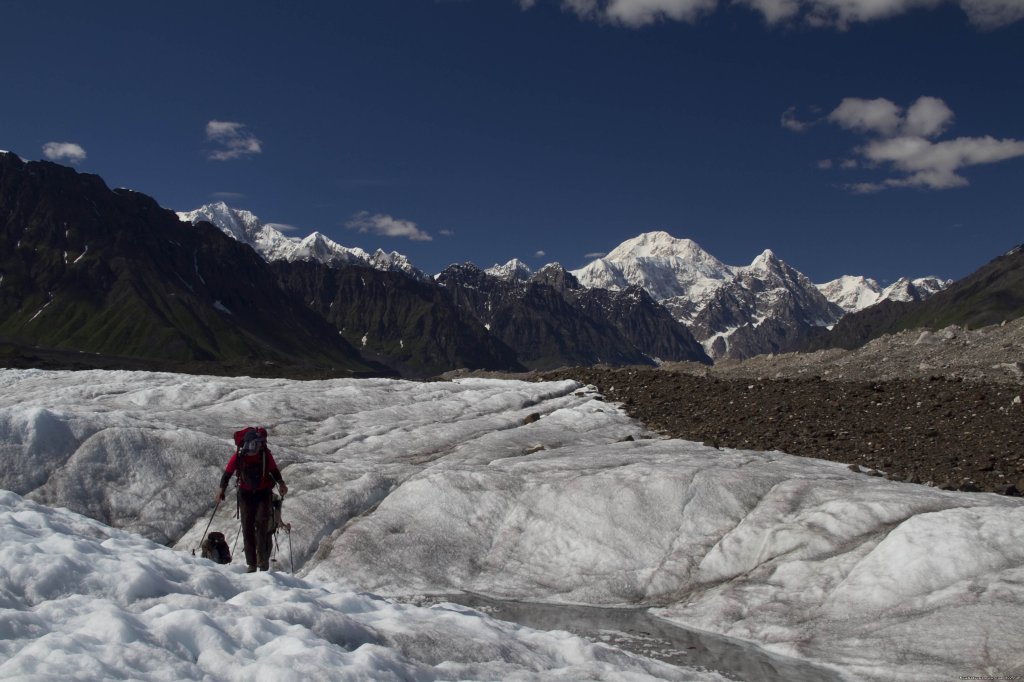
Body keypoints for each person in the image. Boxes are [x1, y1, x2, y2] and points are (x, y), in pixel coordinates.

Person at [215, 427, 288, 572]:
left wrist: (281, 483)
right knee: (249, 527)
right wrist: (221, 490)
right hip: (248, 494)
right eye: (255, 444)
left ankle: (260, 563)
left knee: (260, 526)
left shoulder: (263, 454)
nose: (257, 447)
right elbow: (228, 473)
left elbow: (274, 470)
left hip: (260, 493)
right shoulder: (241, 456)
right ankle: (253, 564)